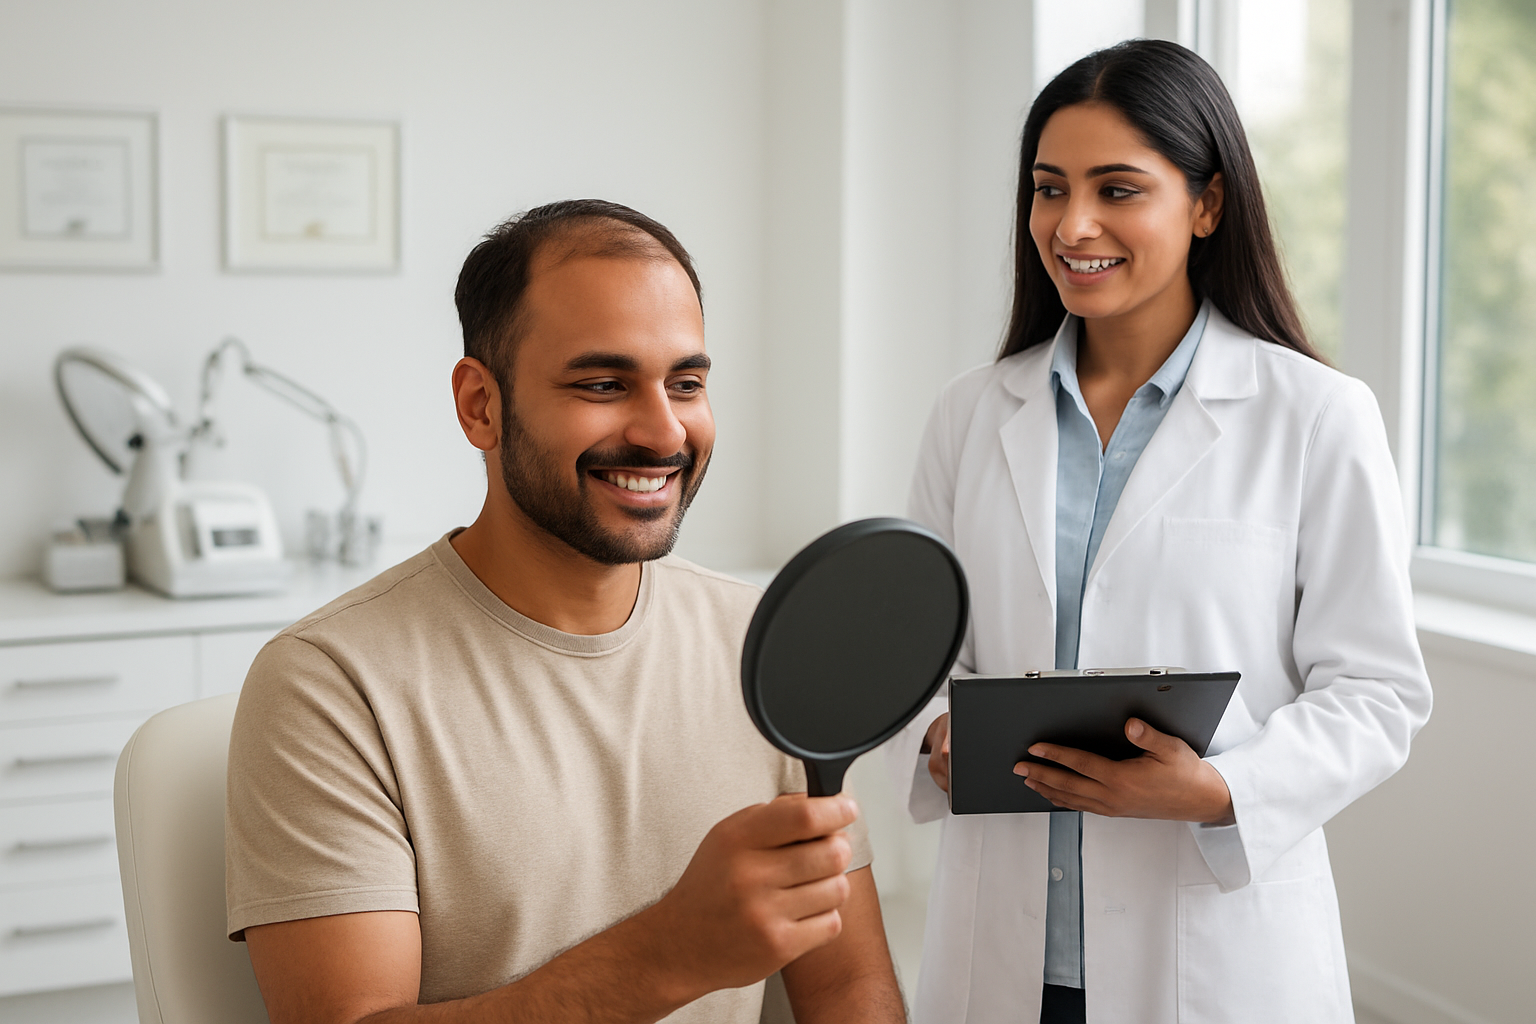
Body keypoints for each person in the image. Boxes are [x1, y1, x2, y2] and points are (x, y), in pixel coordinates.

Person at [226, 199, 906, 1024]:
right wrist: (667, 954)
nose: (664, 433)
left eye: (686, 383)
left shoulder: (763, 643)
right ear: (482, 405)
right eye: (603, 383)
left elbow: (846, 989)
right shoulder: (330, 685)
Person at [884, 41, 1432, 1024]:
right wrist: (935, 731)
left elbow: (1378, 690)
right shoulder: (970, 415)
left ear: (1207, 204)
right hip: (1002, 954)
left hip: (1215, 956)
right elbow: (915, 652)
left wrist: (1221, 787)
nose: (1073, 224)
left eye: (1118, 188)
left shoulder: (1314, 415)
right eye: (1050, 189)